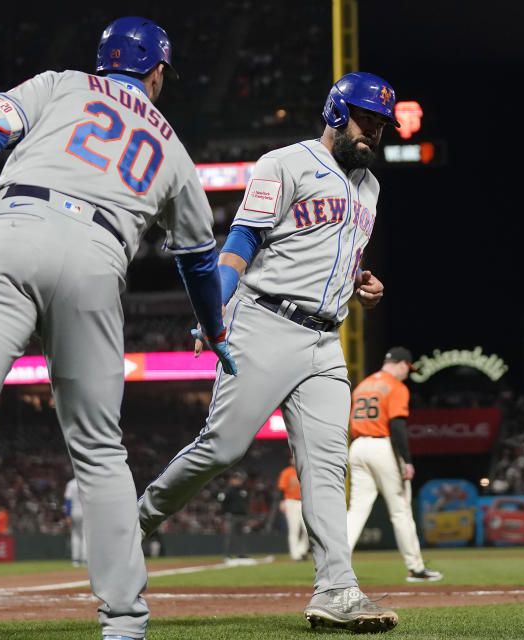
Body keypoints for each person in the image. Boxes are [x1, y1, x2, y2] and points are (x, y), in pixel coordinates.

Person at [0, 16, 237, 640]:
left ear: (104, 59)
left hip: (11, 228)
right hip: (98, 253)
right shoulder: (171, 145)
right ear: (157, 70)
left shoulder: (62, 83)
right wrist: (215, 331)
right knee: (98, 448)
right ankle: (123, 620)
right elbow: (199, 259)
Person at [137, 71, 400, 632]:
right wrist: (213, 309)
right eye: (366, 119)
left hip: (326, 341)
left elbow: (335, 258)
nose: (373, 132)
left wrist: (363, 283)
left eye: (381, 124)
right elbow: (242, 241)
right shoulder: (283, 164)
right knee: (221, 449)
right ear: (335, 112)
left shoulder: (370, 189)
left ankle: (337, 590)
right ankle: (137, 520)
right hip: (263, 323)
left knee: (326, 468)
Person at [347, 346, 443, 583]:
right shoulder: (396, 386)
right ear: (401, 364)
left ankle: (334, 565)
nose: (407, 373)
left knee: (356, 510)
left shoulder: (363, 385)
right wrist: (407, 461)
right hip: (382, 446)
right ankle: (416, 568)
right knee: (400, 511)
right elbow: (398, 427)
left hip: (358, 445)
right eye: (407, 369)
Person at [277, 452, 309, 561]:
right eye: (293, 458)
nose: (294, 460)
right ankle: (295, 555)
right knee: (293, 529)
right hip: (291, 501)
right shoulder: (286, 472)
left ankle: (301, 550)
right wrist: (282, 501)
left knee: (308, 529)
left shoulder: (306, 470)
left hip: (305, 501)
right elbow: (281, 489)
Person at [217, 470, 250, 559]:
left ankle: (241, 554)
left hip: (241, 516)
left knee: (240, 536)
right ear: (232, 480)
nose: (239, 481)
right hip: (231, 515)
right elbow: (221, 501)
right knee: (229, 536)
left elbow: (246, 503)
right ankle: (227, 554)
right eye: (237, 479)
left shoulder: (243, 491)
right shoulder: (227, 490)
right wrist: (224, 513)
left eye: (240, 479)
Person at [64, 475, 86, 567]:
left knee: (75, 535)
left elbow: (68, 501)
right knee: (85, 535)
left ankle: (75, 560)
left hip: (74, 510)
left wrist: (68, 515)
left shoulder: (71, 484)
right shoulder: (86, 481)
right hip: (86, 510)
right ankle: (85, 559)